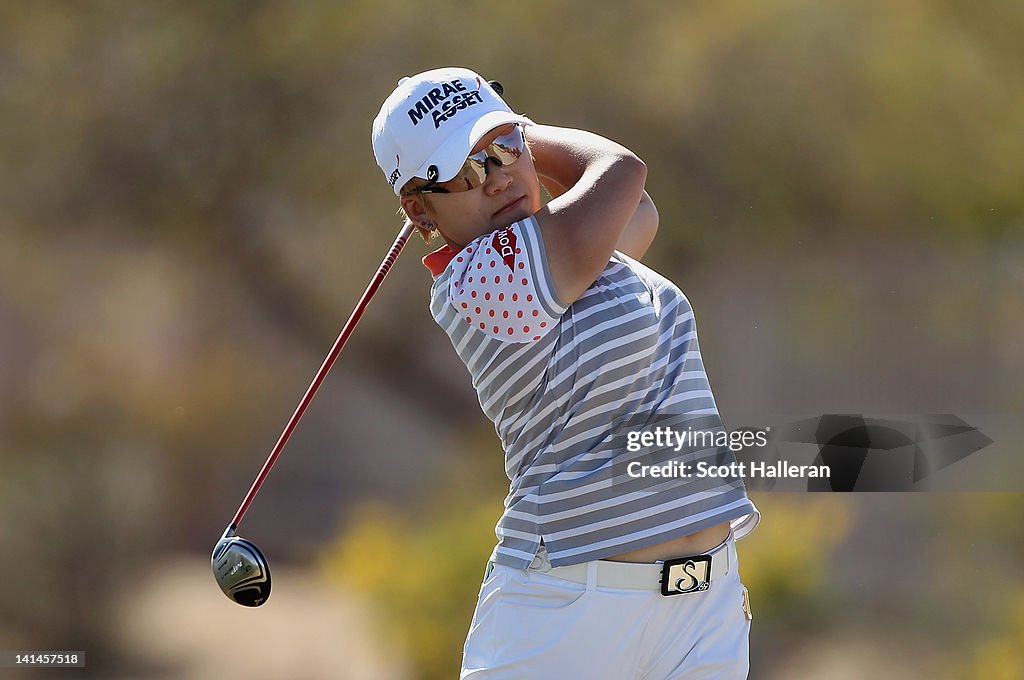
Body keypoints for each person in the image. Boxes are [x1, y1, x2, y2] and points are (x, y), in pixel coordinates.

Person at [372, 67, 760, 679]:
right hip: (565, 611)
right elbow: (622, 171)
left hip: (701, 608)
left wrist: (509, 134)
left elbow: (639, 209)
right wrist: (523, 130)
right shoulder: (483, 277)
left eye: (503, 152)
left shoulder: (568, 254)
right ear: (420, 210)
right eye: (469, 171)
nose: (498, 179)